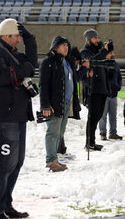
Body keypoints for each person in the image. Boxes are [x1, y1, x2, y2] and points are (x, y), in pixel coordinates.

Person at [0, 18, 37, 219]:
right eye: (18, 36)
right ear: (6, 36)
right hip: (4, 116)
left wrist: (30, 39)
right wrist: (25, 69)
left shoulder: (10, 52)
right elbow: (3, 77)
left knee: (16, 163)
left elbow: (31, 63)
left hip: (17, 114)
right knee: (5, 164)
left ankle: (6, 204)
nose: (19, 40)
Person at [39, 36, 81, 172]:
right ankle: (50, 161)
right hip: (54, 103)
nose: (66, 47)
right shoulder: (48, 62)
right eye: (63, 45)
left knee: (60, 132)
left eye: (67, 45)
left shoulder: (66, 62)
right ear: (55, 46)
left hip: (66, 102)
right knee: (53, 132)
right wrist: (45, 105)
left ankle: (55, 159)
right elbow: (43, 85)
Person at [80, 29, 114, 151]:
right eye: (95, 38)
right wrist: (104, 51)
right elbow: (93, 61)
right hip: (93, 88)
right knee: (93, 116)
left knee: (98, 115)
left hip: (102, 88)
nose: (97, 40)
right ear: (89, 40)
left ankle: (92, 142)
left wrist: (107, 50)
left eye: (98, 38)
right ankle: (89, 143)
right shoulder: (85, 52)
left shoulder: (100, 51)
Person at [98, 50, 123, 140]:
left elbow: (119, 77)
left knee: (113, 115)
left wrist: (118, 86)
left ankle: (113, 133)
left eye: (113, 52)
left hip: (114, 94)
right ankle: (103, 133)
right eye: (110, 53)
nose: (113, 55)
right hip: (104, 95)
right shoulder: (101, 64)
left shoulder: (116, 64)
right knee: (103, 115)